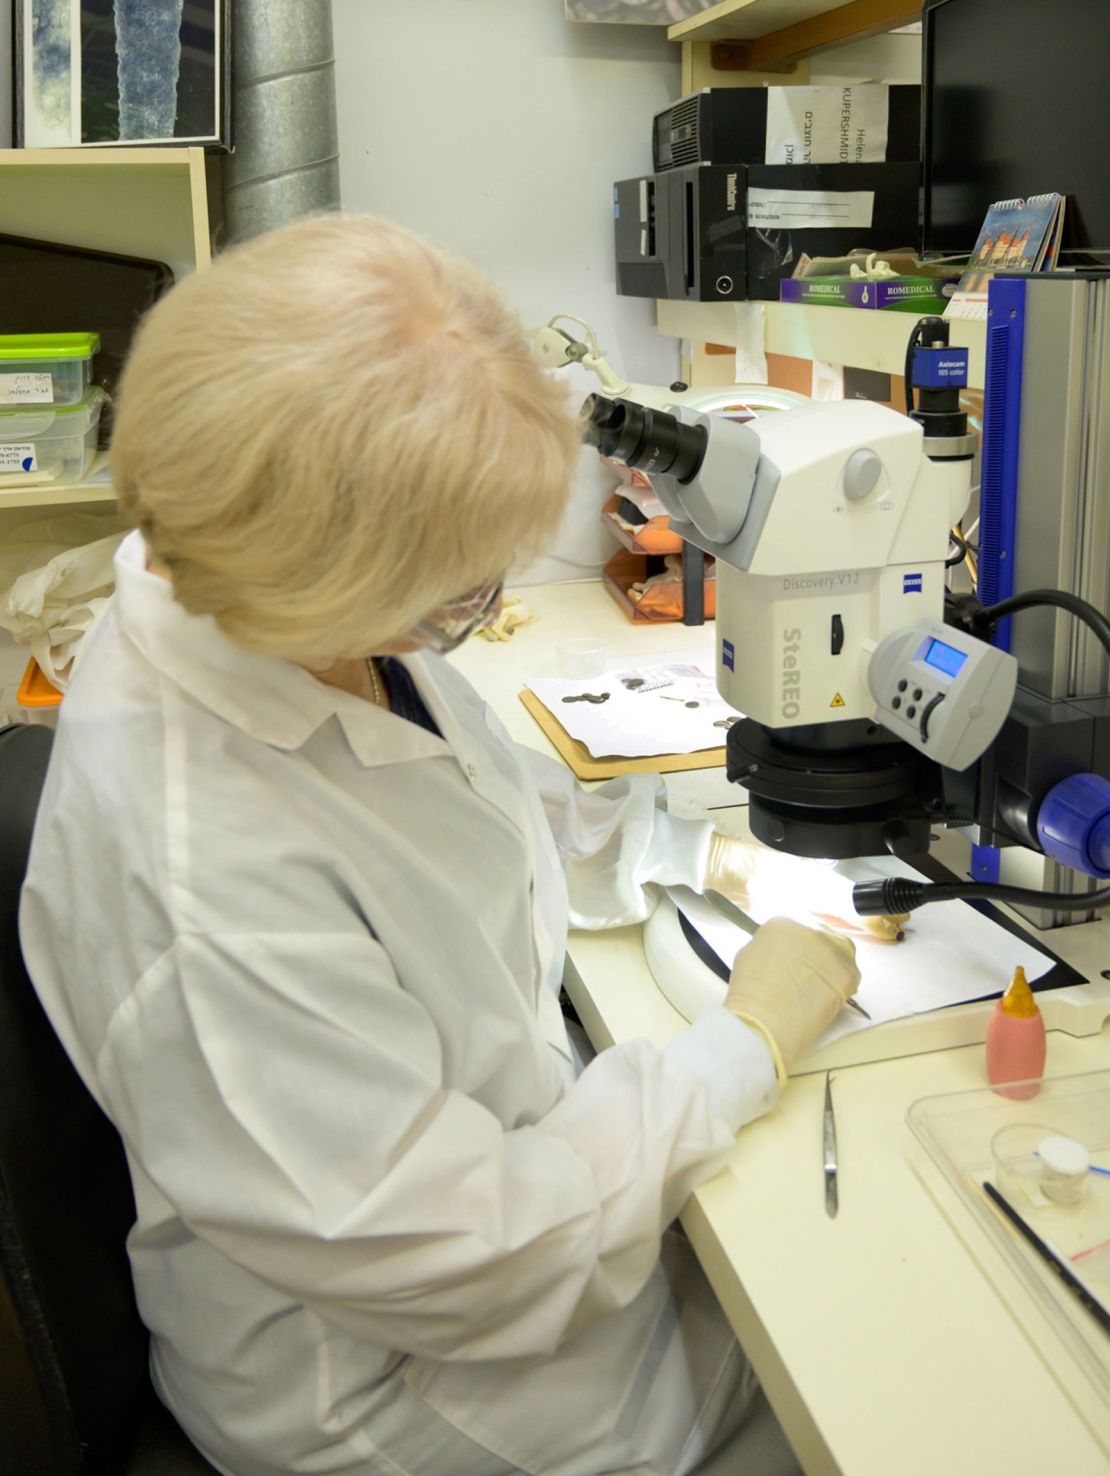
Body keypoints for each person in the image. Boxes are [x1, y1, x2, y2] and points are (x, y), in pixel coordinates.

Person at [21, 214, 868, 1476]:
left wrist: (675, 839)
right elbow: (480, 1259)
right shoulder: (203, 876)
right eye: (465, 595)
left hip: (494, 1209)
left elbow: (448, 805)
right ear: (326, 583)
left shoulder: (256, 589)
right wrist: (744, 1045)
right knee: (866, 1397)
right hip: (408, 1390)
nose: (477, 612)